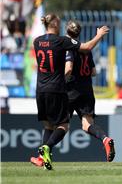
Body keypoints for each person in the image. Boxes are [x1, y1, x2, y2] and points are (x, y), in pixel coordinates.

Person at [30, 20, 115, 167]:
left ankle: (42, 155)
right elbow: (93, 72)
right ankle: (105, 139)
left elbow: (68, 68)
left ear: (66, 31)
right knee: (87, 124)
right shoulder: (85, 51)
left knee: (55, 125)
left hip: (69, 91)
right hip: (86, 90)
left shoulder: (66, 46)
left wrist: (60, 79)